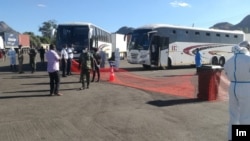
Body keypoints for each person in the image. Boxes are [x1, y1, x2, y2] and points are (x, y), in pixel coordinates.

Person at [224, 41, 250, 141]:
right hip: (247, 87)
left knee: (233, 114)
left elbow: (226, 72)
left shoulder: (230, 60)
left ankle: (232, 137)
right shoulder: (248, 59)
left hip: (233, 86)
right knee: (246, 115)